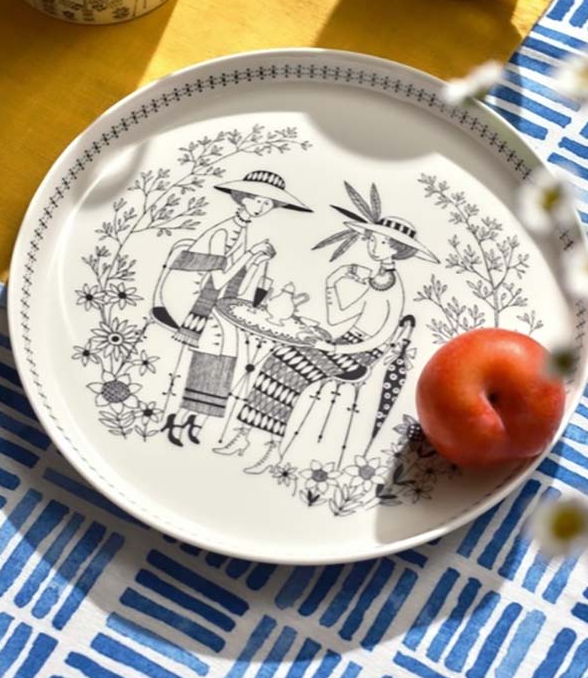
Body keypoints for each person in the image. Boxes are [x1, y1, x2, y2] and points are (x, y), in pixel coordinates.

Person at [217, 211, 438, 470]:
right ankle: (244, 435)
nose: (372, 246)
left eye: (380, 242)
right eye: (372, 239)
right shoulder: (374, 280)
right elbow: (338, 318)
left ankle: (271, 448)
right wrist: (333, 282)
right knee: (277, 358)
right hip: (344, 342)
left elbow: (381, 337)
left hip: (360, 354)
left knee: (290, 368)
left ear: (395, 250)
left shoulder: (393, 289)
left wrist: (334, 347)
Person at [152, 171, 311, 445]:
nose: (261, 207)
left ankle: (195, 419)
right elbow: (218, 279)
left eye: (268, 203)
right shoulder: (224, 231)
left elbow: (234, 279)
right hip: (188, 298)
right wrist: (251, 255)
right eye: (257, 199)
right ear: (242, 197)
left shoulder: (243, 229)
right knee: (216, 341)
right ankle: (178, 418)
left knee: (232, 345)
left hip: (210, 298)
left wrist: (258, 261)